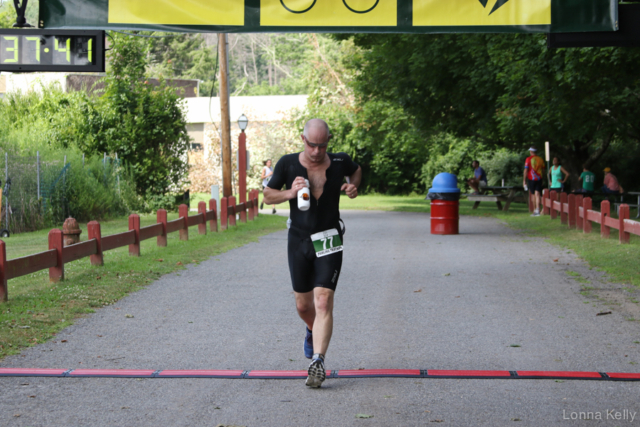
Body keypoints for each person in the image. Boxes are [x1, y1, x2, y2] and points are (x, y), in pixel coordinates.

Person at [263, 118, 361, 388]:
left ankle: (318, 361)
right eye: (312, 145)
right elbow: (267, 196)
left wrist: (353, 186)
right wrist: (290, 193)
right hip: (299, 240)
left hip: (329, 237)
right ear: (303, 139)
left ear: (328, 140)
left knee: (323, 301)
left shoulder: (340, 162)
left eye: (323, 145)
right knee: (303, 306)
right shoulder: (287, 163)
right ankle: (311, 329)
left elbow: (356, 170)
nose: (317, 151)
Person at [523, 146, 545, 216]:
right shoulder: (541, 159)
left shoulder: (528, 159)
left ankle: (535, 210)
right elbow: (543, 170)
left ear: (531, 151)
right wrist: (543, 179)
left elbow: (526, 170)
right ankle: (538, 210)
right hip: (539, 178)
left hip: (531, 178)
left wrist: (524, 180)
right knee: (537, 194)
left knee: (533, 195)